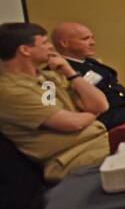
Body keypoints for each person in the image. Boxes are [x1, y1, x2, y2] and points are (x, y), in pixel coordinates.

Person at [0, 22, 110, 181]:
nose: (51, 47)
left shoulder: (47, 79)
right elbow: (71, 123)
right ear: (25, 50)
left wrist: (70, 73)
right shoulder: (10, 91)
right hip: (71, 159)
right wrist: (93, 113)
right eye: (44, 43)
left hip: (99, 143)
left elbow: (100, 104)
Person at [50, 22, 125, 129]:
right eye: (85, 39)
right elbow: (51, 110)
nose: (92, 42)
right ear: (64, 43)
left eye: (92, 38)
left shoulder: (89, 62)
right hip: (109, 117)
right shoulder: (57, 72)